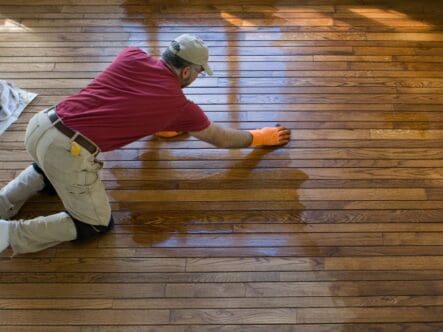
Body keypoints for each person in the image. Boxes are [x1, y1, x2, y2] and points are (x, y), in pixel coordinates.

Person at [0, 34, 291, 256]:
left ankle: (2, 203)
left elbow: (129, 98)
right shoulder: (178, 105)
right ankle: (9, 234)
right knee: (95, 223)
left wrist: (162, 124)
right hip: (66, 151)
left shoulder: (131, 55)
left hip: (41, 125)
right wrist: (259, 136)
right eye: (200, 72)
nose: (199, 77)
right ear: (187, 72)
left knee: (49, 172)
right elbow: (219, 138)